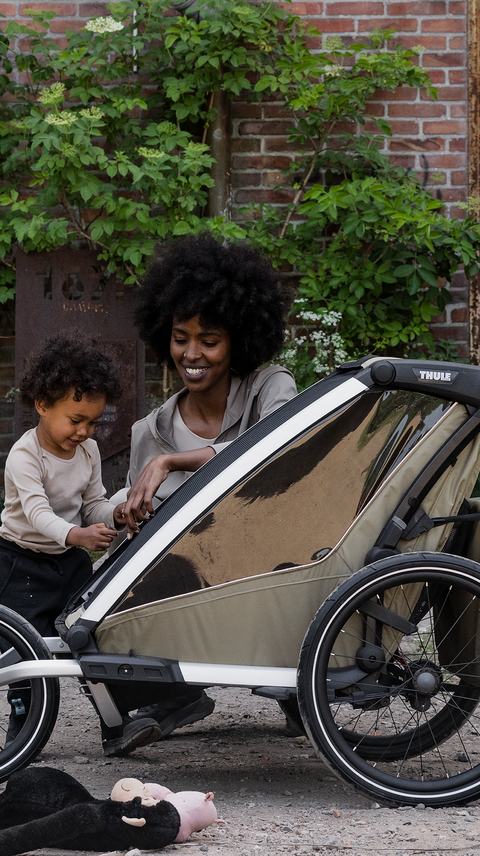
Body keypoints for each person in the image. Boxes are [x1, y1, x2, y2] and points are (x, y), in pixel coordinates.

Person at [97, 231, 297, 756]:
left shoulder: (269, 388)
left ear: (238, 340)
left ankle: (298, 687)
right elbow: (142, 527)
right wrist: (125, 516)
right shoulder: (149, 431)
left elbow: (266, 456)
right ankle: (169, 696)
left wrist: (172, 462)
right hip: (197, 580)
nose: (192, 353)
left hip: (276, 560)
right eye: (180, 337)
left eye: (209, 340)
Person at [0, 334, 146, 751]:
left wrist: (111, 514)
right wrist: (77, 535)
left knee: (89, 637)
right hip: (21, 563)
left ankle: (115, 726)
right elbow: (39, 515)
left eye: (93, 422)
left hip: (68, 562)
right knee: (23, 652)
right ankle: (21, 732)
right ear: (43, 404)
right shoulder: (25, 456)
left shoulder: (89, 451)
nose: (84, 431)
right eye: (75, 419)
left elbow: (92, 503)